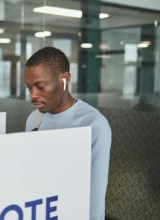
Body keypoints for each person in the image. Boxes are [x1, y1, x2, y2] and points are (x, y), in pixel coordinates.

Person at [24, 47, 111, 220]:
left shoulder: (93, 124)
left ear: (64, 79)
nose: (33, 95)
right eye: (29, 87)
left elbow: (95, 198)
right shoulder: (34, 119)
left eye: (40, 86)